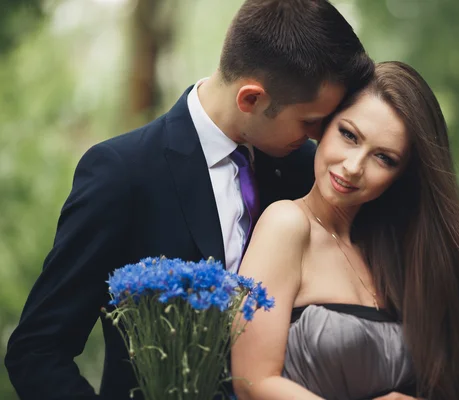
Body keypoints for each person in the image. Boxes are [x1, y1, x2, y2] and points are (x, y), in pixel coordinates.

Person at [4, 1, 374, 399]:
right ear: (251, 99)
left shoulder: (307, 171)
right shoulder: (123, 173)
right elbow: (37, 350)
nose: (320, 136)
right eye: (309, 121)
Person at [231, 62, 459, 400]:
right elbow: (252, 382)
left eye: (383, 158)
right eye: (349, 135)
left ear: (402, 174)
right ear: (323, 126)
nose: (354, 167)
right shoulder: (287, 225)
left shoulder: (399, 251)